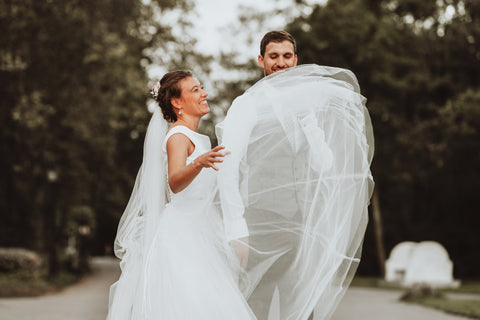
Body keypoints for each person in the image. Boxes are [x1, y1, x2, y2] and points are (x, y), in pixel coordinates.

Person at [216, 30, 374, 320]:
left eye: (287, 56)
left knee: (302, 310)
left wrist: (310, 125)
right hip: (260, 225)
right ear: (261, 60)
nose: (280, 63)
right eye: (273, 56)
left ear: (295, 60)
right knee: (255, 307)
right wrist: (236, 228)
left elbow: (324, 165)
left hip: (301, 227)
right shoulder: (247, 105)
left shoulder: (307, 106)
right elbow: (227, 165)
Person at [107, 71, 256, 320]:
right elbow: (174, 182)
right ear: (177, 102)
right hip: (183, 237)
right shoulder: (178, 136)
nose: (204, 93)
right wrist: (198, 163)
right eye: (195, 90)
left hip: (199, 229)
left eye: (201, 88)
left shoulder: (196, 137)